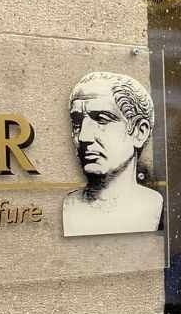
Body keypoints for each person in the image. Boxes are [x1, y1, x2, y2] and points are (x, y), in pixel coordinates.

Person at [63, 71, 164, 237]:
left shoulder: (155, 205)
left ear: (139, 132)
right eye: (77, 122)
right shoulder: (68, 206)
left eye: (102, 119)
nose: (84, 137)